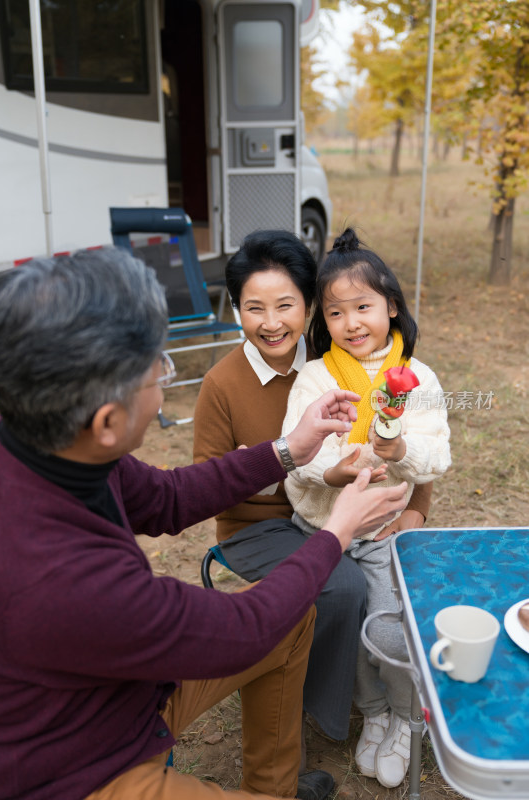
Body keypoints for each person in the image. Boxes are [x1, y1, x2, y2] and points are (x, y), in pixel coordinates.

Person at [0, 248, 409, 800]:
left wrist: (289, 447)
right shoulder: (64, 574)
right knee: (276, 618)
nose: (164, 380)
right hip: (78, 764)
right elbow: (243, 629)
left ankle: (276, 787)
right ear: (108, 421)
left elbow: (168, 497)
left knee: (291, 622)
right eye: (156, 369)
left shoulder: (48, 441)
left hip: (122, 682)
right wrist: (338, 530)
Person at [193, 230, 432, 746]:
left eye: (286, 305)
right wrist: (266, 466)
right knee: (342, 582)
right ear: (237, 310)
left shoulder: (337, 358)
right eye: (254, 308)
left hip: (339, 512)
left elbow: (406, 440)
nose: (272, 322)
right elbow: (205, 484)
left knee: (392, 577)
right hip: (258, 526)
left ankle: (385, 701)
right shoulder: (222, 384)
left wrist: (418, 510)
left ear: (310, 307)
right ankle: (324, 713)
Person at [282, 228, 451, 789]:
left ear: (391, 307)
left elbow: (437, 457)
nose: (352, 323)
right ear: (322, 321)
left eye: (363, 307)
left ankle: (407, 717)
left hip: (379, 531)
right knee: (350, 628)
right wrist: (334, 470)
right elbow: (300, 454)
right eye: (335, 313)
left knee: (390, 632)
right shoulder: (315, 376)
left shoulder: (417, 379)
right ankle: (375, 713)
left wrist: (398, 449)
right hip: (324, 526)